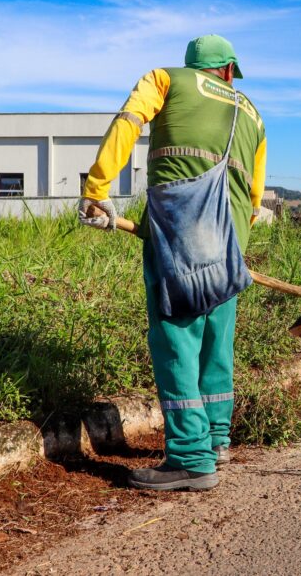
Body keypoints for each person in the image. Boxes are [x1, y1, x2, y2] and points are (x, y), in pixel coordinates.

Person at [79, 35, 266, 491]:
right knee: (216, 344)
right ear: (228, 70)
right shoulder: (254, 115)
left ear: (194, 65)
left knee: (176, 341)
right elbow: (256, 196)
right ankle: (216, 441)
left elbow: (128, 121)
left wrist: (96, 189)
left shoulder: (165, 79)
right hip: (232, 242)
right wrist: (232, 239)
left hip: (180, 231)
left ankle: (190, 458)